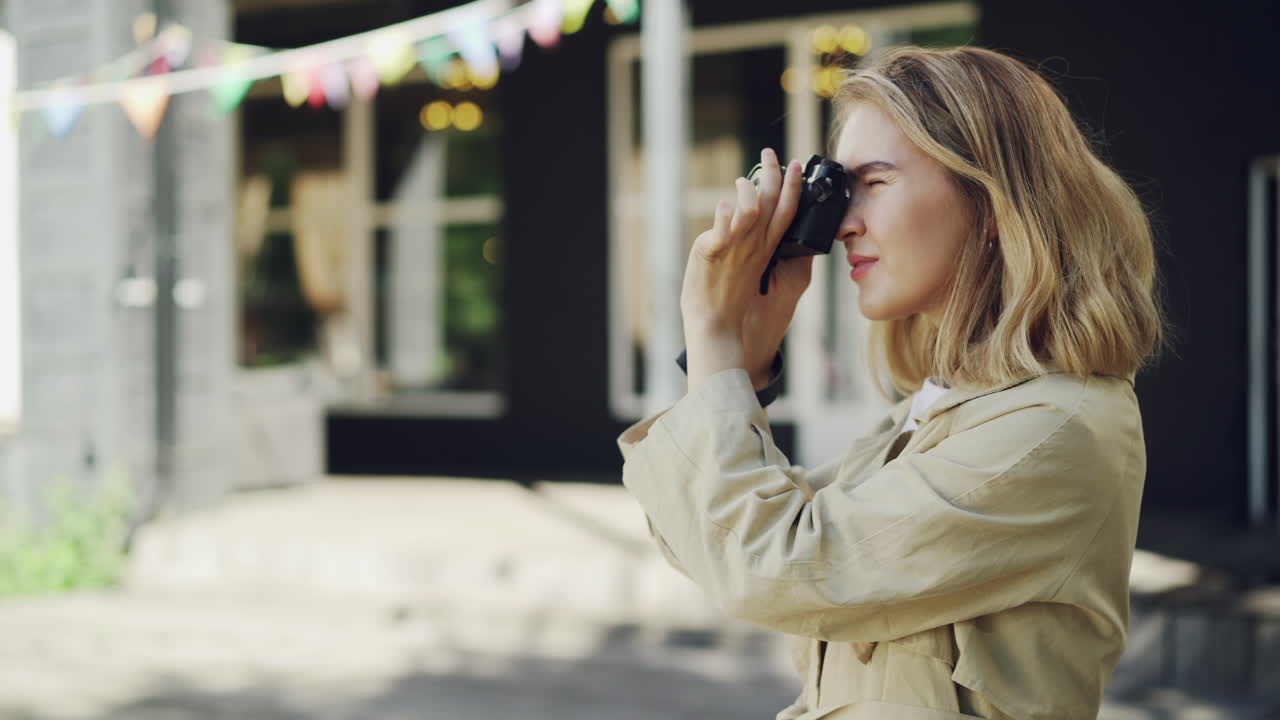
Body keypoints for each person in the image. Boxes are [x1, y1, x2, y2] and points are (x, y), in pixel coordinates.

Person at [617, 45, 1166, 720]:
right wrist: (738, 368)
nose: (844, 224)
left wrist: (713, 334)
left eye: (874, 183)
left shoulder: (1053, 428)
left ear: (992, 201)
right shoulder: (936, 415)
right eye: (840, 192)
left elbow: (773, 568)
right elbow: (708, 540)